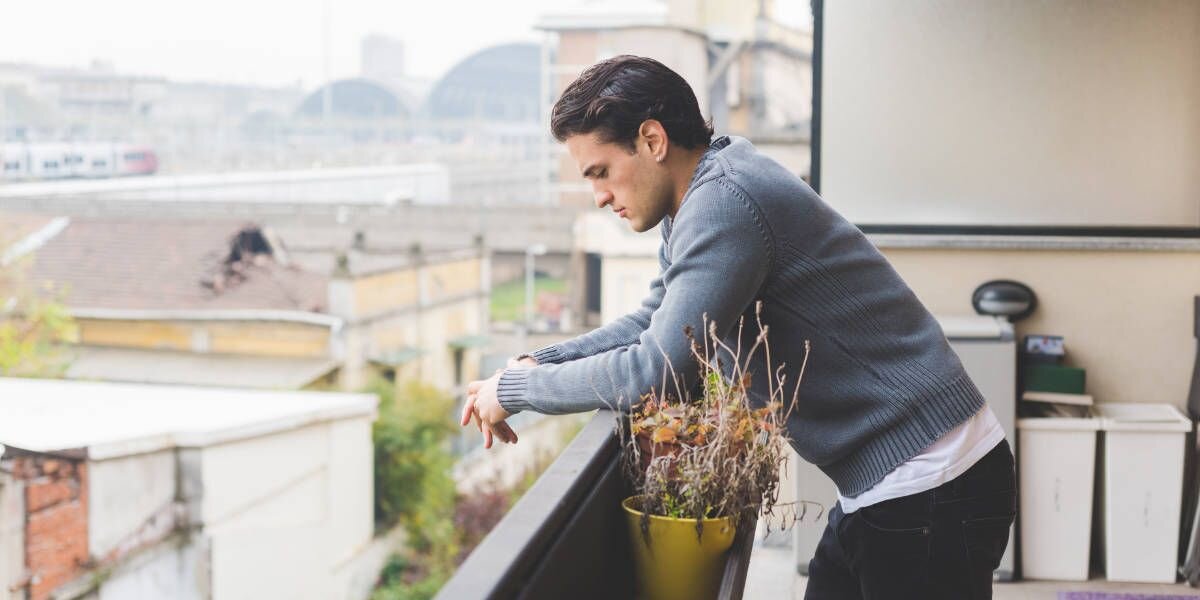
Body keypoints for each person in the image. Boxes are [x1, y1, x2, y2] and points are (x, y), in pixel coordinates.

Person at [460, 55, 1015, 599]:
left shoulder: (724, 202)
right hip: (897, 481)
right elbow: (656, 321)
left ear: (652, 140)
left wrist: (516, 391)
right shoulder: (699, 198)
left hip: (930, 481)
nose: (600, 196)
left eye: (601, 172)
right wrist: (541, 363)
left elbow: (655, 369)